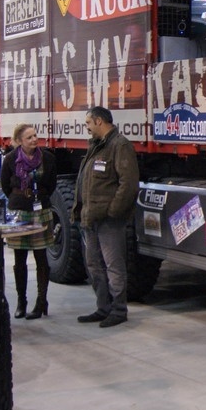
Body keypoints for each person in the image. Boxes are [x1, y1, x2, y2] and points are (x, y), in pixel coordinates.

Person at [72, 106, 139, 328]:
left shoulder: (119, 145)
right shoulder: (96, 146)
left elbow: (128, 184)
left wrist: (113, 212)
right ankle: (103, 307)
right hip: (91, 218)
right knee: (93, 264)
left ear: (99, 121)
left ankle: (119, 310)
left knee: (113, 265)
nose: (87, 128)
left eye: (89, 123)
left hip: (108, 221)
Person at [0, 123, 57, 319]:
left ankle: (42, 302)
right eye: (29, 137)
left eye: (35, 136)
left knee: (42, 258)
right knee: (20, 260)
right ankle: (21, 302)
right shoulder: (10, 159)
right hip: (20, 212)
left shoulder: (47, 158)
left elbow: (51, 184)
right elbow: (5, 185)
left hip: (40, 210)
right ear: (19, 141)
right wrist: (20, 198)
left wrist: (39, 196)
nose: (34, 139)